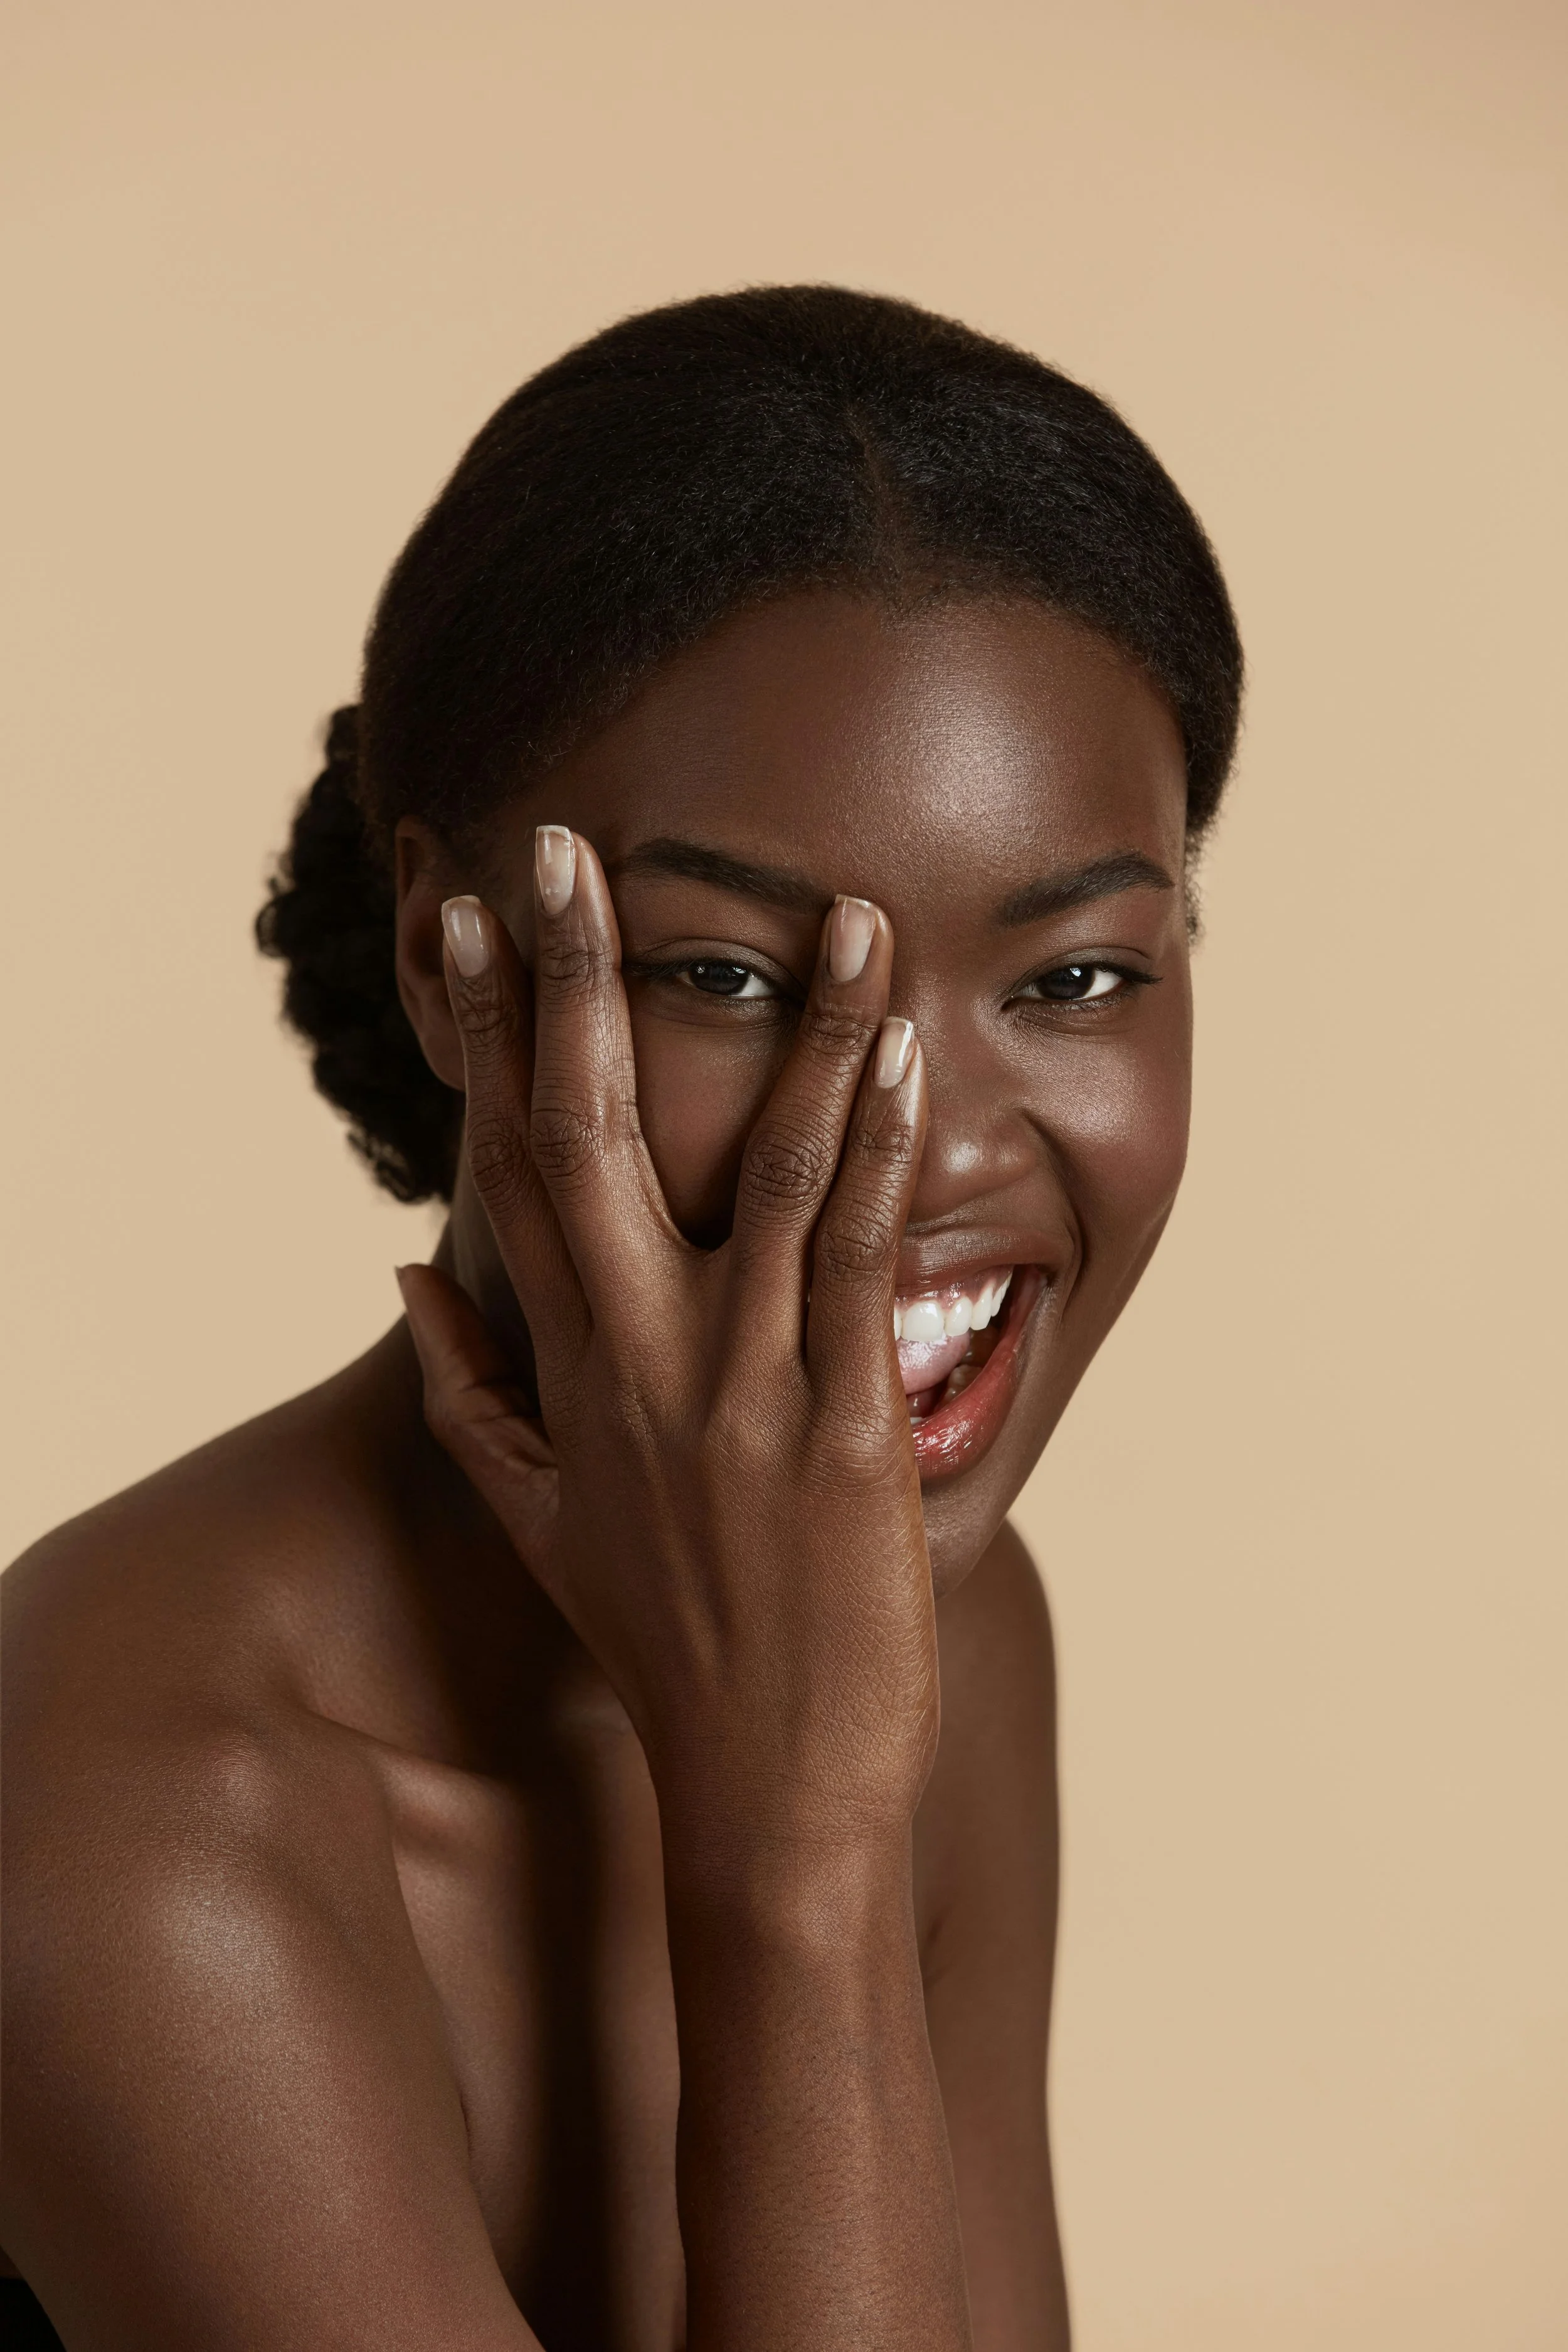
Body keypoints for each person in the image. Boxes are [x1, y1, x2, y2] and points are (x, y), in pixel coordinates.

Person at [0, 286, 1242, 2351]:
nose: (916, 1153)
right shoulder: (139, 1807)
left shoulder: (949, 1630)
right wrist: (793, 1844)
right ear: (440, 958)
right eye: (735, 980)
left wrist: (810, 1790)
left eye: (1078, 978)